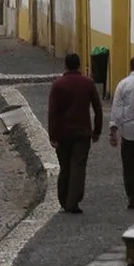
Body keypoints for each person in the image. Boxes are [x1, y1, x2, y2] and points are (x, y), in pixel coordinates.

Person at [48, 52, 104, 214]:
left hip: (63, 133)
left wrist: (52, 135)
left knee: (65, 167)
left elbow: (53, 112)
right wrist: (97, 131)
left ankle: (64, 199)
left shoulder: (58, 85)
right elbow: (98, 110)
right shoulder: (88, 83)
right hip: (82, 132)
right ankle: (73, 201)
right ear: (79, 65)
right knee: (78, 167)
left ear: (65, 65)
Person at [109, 56, 134, 209]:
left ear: (130, 67)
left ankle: (133, 197)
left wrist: (113, 129)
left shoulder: (123, 85)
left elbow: (117, 109)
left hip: (128, 132)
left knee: (129, 166)